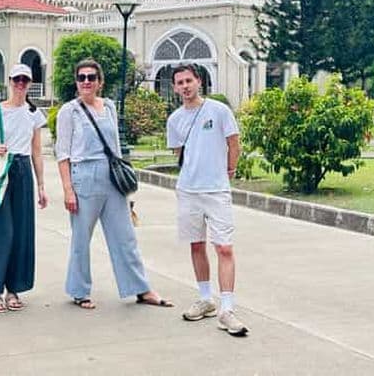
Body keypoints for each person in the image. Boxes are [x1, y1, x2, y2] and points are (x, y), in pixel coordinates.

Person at [55, 58, 172, 310]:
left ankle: (141, 288)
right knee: (81, 238)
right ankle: (79, 290)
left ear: (100, 82)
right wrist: (67, 190)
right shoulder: (69, 111)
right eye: (82, 77)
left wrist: (125, 189)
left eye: (91, 77)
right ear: (76, 82)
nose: (86, 82)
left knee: (125, 236)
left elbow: (116, 149)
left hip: (112, 175)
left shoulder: (108, 107)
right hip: (84, 176)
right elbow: (62, 153)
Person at [166, 63, 248, 336]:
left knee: (224, 247)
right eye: (179, 82)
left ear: (199, 81)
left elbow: (233, 143)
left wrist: (229, 170)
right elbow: (180, 154)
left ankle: (227, 308)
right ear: (175, 87)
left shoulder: (219, 110)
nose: (185, 86)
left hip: (216, 190)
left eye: (189, 80)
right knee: (196, 245)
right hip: (189, 190)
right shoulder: (175, 119)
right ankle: (205, 298)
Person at [0, 63, 49, 312]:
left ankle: (14, 288)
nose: (20, 84)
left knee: (21, 231)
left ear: (30, 83)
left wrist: (41, 185)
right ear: (9, 81)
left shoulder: (33, 114)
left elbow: (37, 152)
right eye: (16, 79)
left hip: (22, 171)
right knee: (1, 229)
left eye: (25, 80)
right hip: (0, 170)